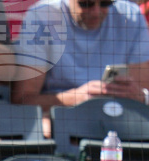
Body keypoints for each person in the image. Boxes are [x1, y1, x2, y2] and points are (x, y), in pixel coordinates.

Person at [13, 0, 149, 110]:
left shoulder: (131, 16)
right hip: (62, 119)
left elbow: (141, 93)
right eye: (86, 3)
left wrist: (139, 95)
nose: (96, 12)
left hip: (118, 116)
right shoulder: (42, 15)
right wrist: (78, 98)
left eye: (105, 3)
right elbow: (22, 100)